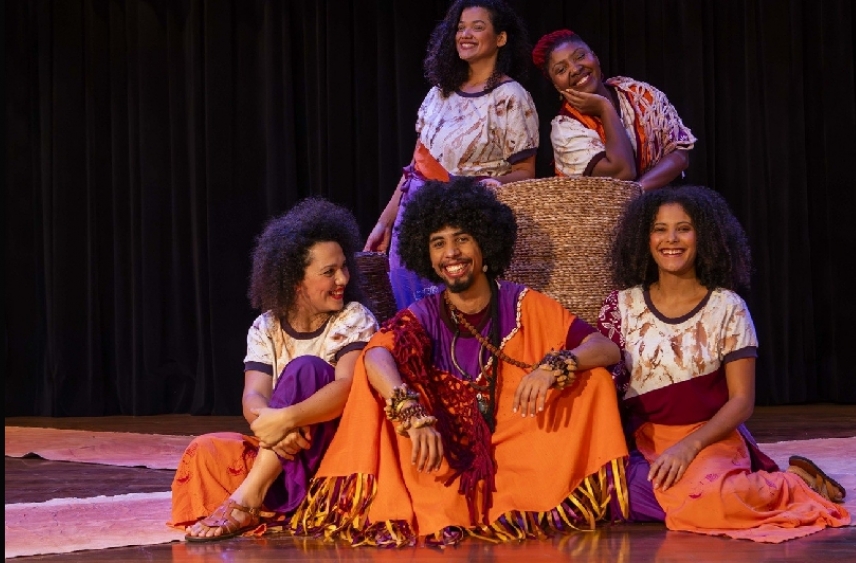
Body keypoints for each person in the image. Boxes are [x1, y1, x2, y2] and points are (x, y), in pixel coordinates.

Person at [288, 177, 629, 547]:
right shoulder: (425, 313)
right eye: (438, 243)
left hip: (520, 440)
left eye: (462, 239)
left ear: (484, 242)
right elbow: (376, 355)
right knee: (384, 398)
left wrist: (554, 366)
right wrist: (410, 411)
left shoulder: (522, 303)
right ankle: (443, 505)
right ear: (427, 255)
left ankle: (537, 496)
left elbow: (605, 349)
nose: (451, 253)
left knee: (593, 382)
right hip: (442, 447)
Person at [596, 184, 850, 543]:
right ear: (644, 238)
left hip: (708, 438)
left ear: (704, 237)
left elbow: (741, 401)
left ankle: (794, 482)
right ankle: (708, 496)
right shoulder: (621, 305)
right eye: (659, 229)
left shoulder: (728, 307)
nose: (671, 239)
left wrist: (689, 446)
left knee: (715, 497)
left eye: (684, 228)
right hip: (645, 439)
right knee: (614, 494)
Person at [169, 197, 380, 542]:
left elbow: (346, 388)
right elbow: (253, 397)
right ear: (295, 280)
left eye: (344, 267)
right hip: (285, 450)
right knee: (206, 450)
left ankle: (249, 499)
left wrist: (286, 418)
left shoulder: (354, 318)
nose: (343, 278)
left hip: (334, 448)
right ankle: (270, 498)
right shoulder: (265, 327)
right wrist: (274, 424)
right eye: (329, 272)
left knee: (306, 370)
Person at [363, 0, 540, 310]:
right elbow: (415, 168)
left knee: (460, 314)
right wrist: (385, 222)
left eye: (477, 27)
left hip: (464, 224)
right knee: (415, 317)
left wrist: (490, 184)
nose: (465, 34)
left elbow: (526, 172)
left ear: (500, 38)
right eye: (460, 28)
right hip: (414, 221)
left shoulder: (511, 97)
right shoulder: (438, 94)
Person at [532, 29, 696, 192]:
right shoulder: (565, 131)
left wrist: (639, 190)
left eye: (580, 56)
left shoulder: (640, 95)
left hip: (664, 202)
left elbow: (680, 154)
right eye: (561, 70)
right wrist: (605, 108)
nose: (575, 69)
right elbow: (622, 173)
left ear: (595, 57)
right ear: (556, 85)